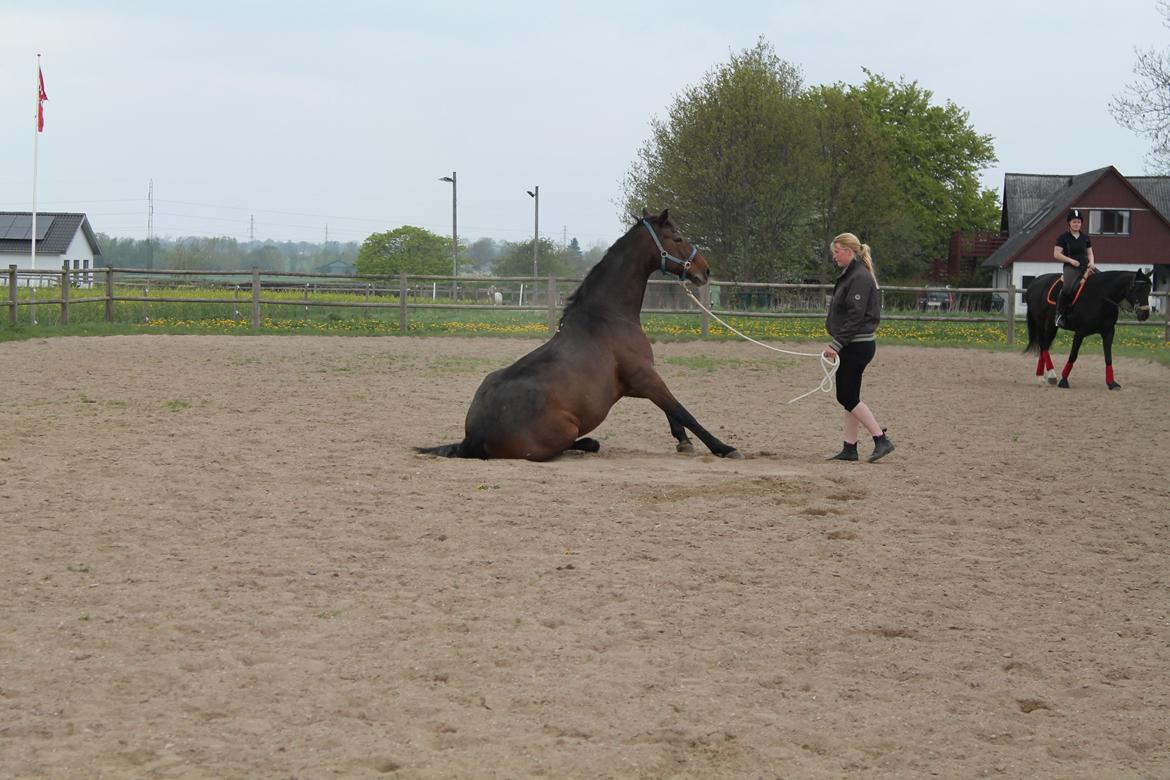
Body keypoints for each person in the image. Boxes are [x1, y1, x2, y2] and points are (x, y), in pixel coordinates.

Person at [823, 233, 895, 463]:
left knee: (846, 395)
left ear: (849, 251)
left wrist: (837, 343)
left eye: (837, 251)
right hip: (853, 345)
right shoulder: (852, 275)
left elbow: (855, 316)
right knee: (850, 396)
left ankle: (880, 438)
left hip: (857, 346)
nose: (835, 256)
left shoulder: (859, 277)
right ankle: (850, 447)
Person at [1053, 209, 1095, 328]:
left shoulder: (1085, 238)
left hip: (1086, 267)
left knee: (1102, 282)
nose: (1077, 224)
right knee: (1067, 288)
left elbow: (1090, 253)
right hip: (1071, 268)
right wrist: (1070, 260)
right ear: (1069, 223)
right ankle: (1059, 315)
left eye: (1079, 222)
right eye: (1074, 222)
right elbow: (1056, 254)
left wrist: (1091, 263)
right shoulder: (1063, 237)